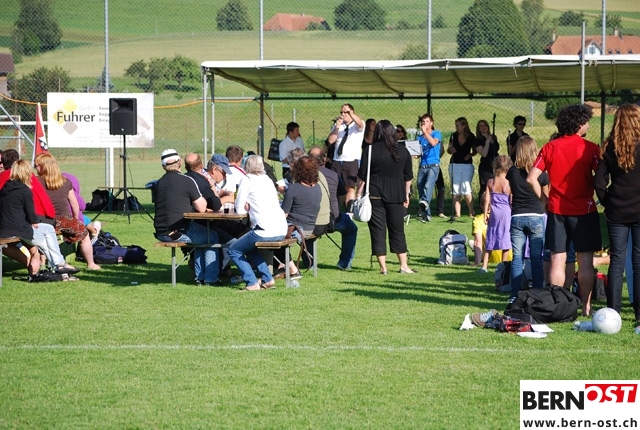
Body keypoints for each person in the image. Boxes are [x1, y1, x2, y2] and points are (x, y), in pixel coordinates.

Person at [527, 104, 601, 317]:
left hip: (557, 210)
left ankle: (558, 306)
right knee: (585, 261)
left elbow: (531, 178)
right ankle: (586, 307)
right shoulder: (590, 148)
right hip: (585, 210)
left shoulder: (550, 147)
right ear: (579, 125)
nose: (588, 126)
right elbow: (601, 178)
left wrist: (544, 200)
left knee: (557, 260)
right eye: (586, 122)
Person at [594, 103, 640, 329]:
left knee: (617, 261)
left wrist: (607, 202)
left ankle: (613, 311)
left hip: (616, 210)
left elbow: (598, 182)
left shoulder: (609, 146)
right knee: (638, 261)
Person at [153, 149, 222, 286]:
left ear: (163, 166)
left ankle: (200, 277)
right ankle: (210, 279)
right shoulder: (187, 181)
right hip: (178, 231)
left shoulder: (159, 183)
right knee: (211, 237)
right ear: (179, 162)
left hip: (160, 231)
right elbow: (201, 207)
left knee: (202, 238)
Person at [357, 119, 414, 275]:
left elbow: (362, 176)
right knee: (398, 230)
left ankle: (383, 267)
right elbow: (408, 176)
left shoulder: (369, 150)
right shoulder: (403, 150)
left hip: (374, 193)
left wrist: (358, 194)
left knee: (377, 230)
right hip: (397, 194)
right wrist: (407, 194)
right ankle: (403, 265)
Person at [228, 155, 288, 291]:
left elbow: (239, 209)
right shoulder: (267, 179)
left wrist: (247, 207)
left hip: (264, 229)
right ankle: (267, 279)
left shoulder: (247, 179)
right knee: (248, 248)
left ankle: (252, 282)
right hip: (280, 228)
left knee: (233, 250)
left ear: (246, 166)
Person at [34, 153, 101, 271]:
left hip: (43, 220)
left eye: (37, 165)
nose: (35, 168)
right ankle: (91, 264)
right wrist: (75, 219)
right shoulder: (65, 181)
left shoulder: (35, 182)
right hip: (64, 220)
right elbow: (74, 204)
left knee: (44, 237)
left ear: (44, 166)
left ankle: (42, 264)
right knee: (84, 236)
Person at [506, 137, 548, 302]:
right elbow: (546, 196)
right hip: (536, 215)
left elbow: (512, 193)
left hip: (517, 215)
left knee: (517, 258)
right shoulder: (541, 173)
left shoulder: (512, 172)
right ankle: (537, 293)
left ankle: (514, 294)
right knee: (537, 258)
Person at [309, 146, 358, 271]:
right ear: (324, 159)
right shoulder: (334, 175)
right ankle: (344, 262)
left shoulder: (304, 176)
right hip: (333, 218)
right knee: (351, 229)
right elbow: (342, 196)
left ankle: (309, 261)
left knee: (307, 233)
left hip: (312, 219)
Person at [274, 155, 322, 279]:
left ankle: (292, 269)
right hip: (310, 227)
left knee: (270, 237)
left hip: (297, 229)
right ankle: (282, 266)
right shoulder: (317, 187)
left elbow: (283, 214)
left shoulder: (294, 189)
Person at [0, 160, 48, 277]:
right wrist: (34, 221)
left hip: (3, 229)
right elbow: (31, 215)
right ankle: (35, 273)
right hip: (18, 229)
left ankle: (31, 267)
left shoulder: (4, 189)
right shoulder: (24, 190)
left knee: (7, 246)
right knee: (35, 251)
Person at [325, 103, 365, 209]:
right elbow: (331, 141)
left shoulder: (357, 125)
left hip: (351, 160)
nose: (343, 114)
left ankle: (349, 210)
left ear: (352, 112)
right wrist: (337, 127)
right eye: (342, 112)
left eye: (345, 112)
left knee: (350, 187)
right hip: (337, 160)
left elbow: (360, 124)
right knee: (334, 186)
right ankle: (336, 209)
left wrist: (351, 114)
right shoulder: (338, 125)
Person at [479, 155, 512, 273]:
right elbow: (511, 201)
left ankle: (484, 266)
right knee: (506, 238)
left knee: (490, 237)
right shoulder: (509, 183)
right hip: (506, 213)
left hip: (494, 212)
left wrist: (485, 214)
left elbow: (487, 200)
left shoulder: (491, 181)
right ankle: (503, 265)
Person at [447, 117, 476, 218]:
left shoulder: (471, 136)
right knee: (455, 189)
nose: (456, 128)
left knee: (466, 187)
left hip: (466, 164)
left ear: (464, 126)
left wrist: (470, 155)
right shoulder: (453, 136)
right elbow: (448, 149)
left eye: (458, 126)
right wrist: (450, 149)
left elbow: (475, 150)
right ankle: (457, 213)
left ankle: (471, 212)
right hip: (454, 163)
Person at [416, 113, 442, 223]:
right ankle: (426, 215)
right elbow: (418, 153)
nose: (424, 123)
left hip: (433, 165)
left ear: (431, 123)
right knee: (420, 188)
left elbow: (434, 143)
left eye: (426, 121)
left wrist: (425, 132)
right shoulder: (419, 137)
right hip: (423, 165)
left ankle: (424, 207)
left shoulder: (436, 133)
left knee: (428, 186)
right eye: (423, 122)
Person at [474, 119, 500, 204]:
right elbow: (484, 154)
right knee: (485, 186)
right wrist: (487, 142)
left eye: (485, 125)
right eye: (481, 126)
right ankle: (483, 205)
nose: (483, 127)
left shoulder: (493, 137)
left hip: (495, 164)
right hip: (486, 166)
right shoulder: (478, 140)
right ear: (478, 129)